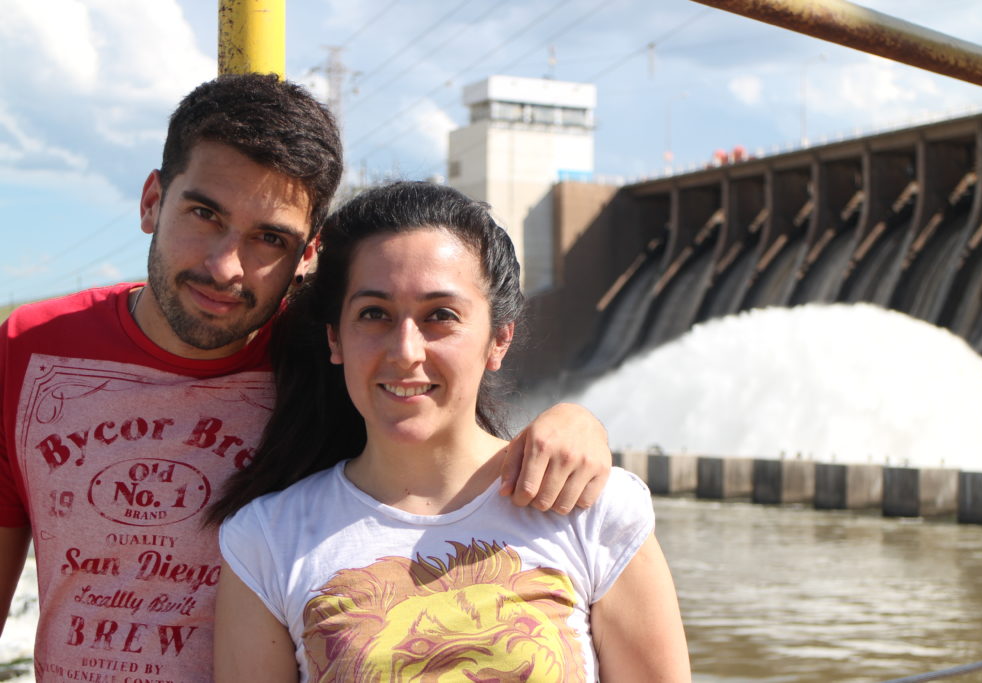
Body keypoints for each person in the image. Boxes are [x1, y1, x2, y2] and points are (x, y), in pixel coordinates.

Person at [0, 75, 613, 682]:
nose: (226, 266)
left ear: (308, 254)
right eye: (204, 214)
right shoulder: (29, 351)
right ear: (151, 201)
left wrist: (576, 423)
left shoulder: (336, 360)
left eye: (269, 238)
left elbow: (449, 447)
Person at [213, 181, 690, 682]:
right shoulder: (266, 539)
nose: (406, 352)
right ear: (335, 338)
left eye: (440, 316)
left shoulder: (591, 507)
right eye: (374, 314)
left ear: (499, 338)